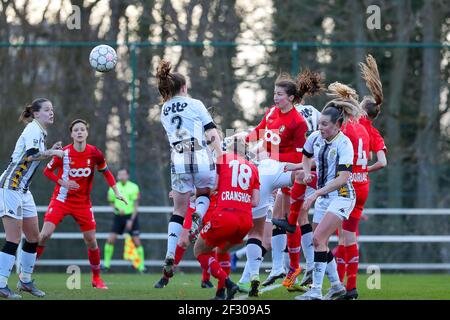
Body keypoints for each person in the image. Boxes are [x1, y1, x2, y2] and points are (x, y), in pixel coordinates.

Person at [238, 69, 322, 295]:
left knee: (288, 220)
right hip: (269, 170)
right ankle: (263, 274)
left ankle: (292, 269)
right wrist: (241, 140)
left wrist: (272, 157)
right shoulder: (272, 113)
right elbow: (257, 132)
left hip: (287, 172)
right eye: (274, 93)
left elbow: (299, 158)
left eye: (280, 94)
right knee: (270, 224)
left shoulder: (298, 121)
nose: (275, 98)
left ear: (292, 98)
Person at [291, 84, 366, 300]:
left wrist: (314, 193)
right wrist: (305, 172)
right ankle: (336, 285)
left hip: (342, 196)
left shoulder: (345, 144)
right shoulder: (315, 137)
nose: (320, 127)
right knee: (319, 242)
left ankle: (315, 291)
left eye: (325, 124)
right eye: (319, 123)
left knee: (317, 237)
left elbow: (343, 178)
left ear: (337, 125)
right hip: (324, 197)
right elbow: (306, 156)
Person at [37, 119, 127, 290]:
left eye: (82, 129)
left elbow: (106, 172)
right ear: (71, 134)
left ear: (87, 133)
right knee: (44, 235)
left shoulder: (95, 153)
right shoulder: (63, 153)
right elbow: (47, 171)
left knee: (91, 241)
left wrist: (117, 192)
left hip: (83, 203)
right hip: (61, 200)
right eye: (76, 130)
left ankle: (96, 279)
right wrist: (62, 183)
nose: (79, 132)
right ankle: (27, 272)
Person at [156, 60, 223, 280]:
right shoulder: (195, 103)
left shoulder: (164, 109)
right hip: (200, 154)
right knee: (204, 193)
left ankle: (169, 253)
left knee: (178, 210)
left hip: (178, 158)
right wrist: (220, 154)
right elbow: (211, 132)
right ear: (184, 87)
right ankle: (199, 216)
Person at [334, 55, 387, 300]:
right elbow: (383, 162)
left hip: (344, 183)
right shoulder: (373, 132)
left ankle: (337, 282)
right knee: (348, 236)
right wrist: (364, 170)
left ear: (359, 111)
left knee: (334, 236)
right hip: (362, 184)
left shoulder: (350, 126)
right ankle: (348, 286)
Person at [0, 98, 64, 299]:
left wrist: (50, 149)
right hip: (10, 186)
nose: (51, 112)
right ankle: (1, 284)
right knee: (14, 238)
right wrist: (52, 152)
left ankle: (25, 281)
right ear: (36, 114)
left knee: (34, 237)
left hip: (23, 190)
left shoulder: (40, 131)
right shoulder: (33, 129)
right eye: (46, 110)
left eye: (52, 109)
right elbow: (31, 156)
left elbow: (36, 154)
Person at [194, 136, 260, 300]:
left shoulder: (222, 159)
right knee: (221, 250)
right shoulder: (253, 167)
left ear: (230, 149)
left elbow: (213, 186)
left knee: (199, 250)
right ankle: (220, 293)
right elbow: (255, 201)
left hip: (225, 216)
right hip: (245, 221)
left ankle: (228, 283)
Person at [103, 169, 145, 273]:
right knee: (110, 240)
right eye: (120, 174)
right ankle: (106, 265)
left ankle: (142, 267)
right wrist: (116, 210)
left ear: (128, 176)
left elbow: (136, 206)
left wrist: (131, 219)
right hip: (119, 217)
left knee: (136, 241)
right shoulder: (113, 187)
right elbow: (111, 203)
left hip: (131, 217)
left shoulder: (134, 187)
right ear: (117, 176)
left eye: (124, 174)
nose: (121, 176)